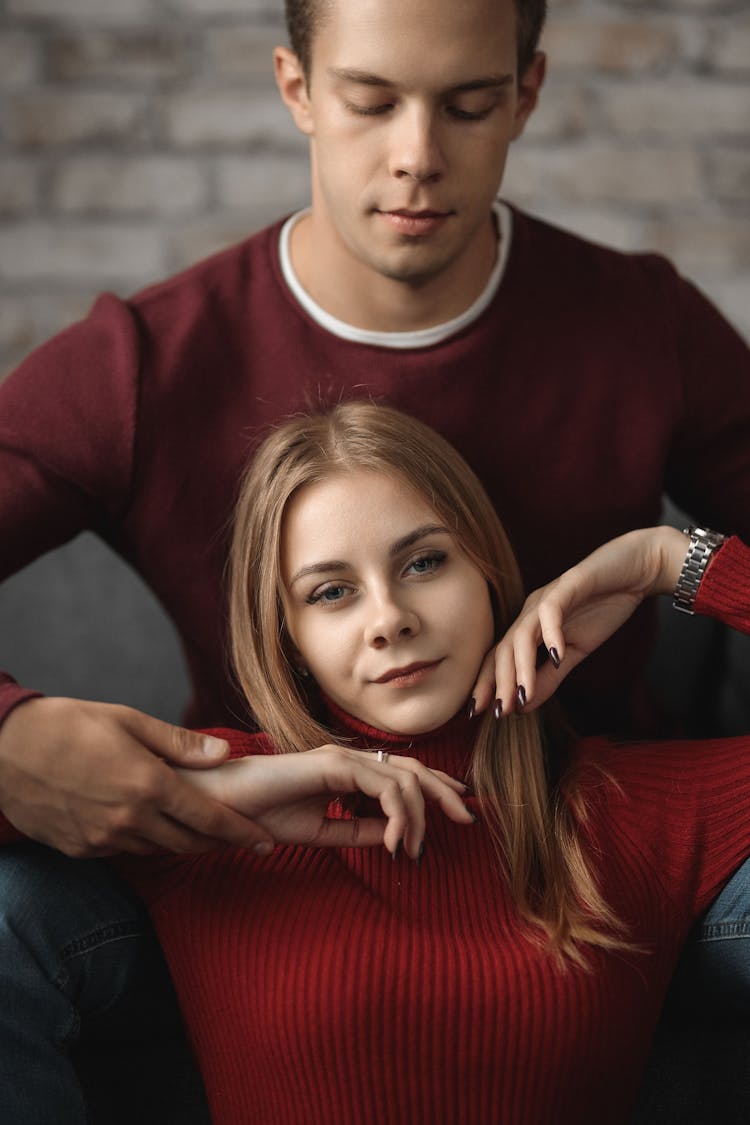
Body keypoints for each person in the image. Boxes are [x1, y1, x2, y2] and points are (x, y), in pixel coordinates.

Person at [0, 0, 748, 1118]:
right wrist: (7, 735)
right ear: (298, 90)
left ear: (527, 94)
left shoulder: (644, 324)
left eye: (468, 104)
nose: (416, 158)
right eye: (370, 100)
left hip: (594, 855)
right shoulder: (144, 363)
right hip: (258, 864)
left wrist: (659, 559)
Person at [5, 399, 747, 1124]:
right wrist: (210, 797)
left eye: (424, 561)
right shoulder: (215, 795)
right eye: (332, 592)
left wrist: (669, 559)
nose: (389, 617)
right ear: (287, 636)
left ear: (487, 573)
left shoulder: (631, 805)